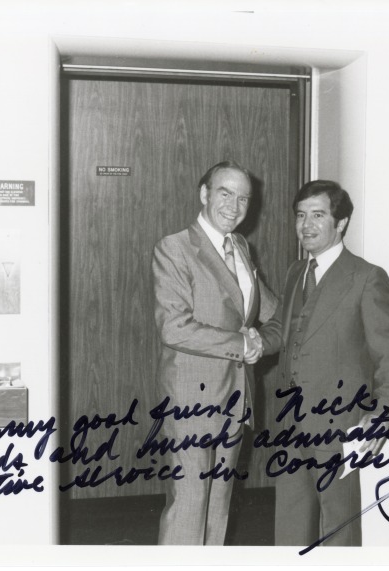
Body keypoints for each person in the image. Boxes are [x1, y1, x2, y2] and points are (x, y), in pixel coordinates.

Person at [258, 179, 389, 547]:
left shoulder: (366, 277)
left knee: (338, 525)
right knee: (291, 521)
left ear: (340, 223)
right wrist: (249, 343)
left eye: (318, 215)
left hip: (339, 420)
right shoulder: (297, 272)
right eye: (300, 215)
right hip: (290, 419)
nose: (306, 225)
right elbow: (283, 327)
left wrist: (383, 414)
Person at [151, 160, 277, 545]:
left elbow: (272, 314)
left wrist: (263, 343)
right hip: (192, 400)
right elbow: (174, 327)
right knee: (189, 505)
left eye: (243, 198)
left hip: (235, 401)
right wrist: (242, 344)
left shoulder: (240, 246)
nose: (234, 205)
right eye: (225, 193)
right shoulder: (174, 248)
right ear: (204, 194)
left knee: (217, 507)